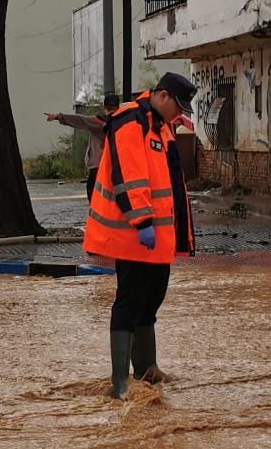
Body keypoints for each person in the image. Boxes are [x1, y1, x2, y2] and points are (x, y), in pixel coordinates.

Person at [83, 72, 197, 400]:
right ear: (162, 96)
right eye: (178, 106)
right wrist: (142, 220)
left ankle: (147, 371)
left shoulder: (160, 125)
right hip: (134, 235)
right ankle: (120, 383)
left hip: (157, 239)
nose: (179, 114)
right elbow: (129, 176)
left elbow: (170, 180)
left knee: (151, 302)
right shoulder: (131, 123)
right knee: (129, 302)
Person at [47, 96, 116, 202]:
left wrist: (58, 116)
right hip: (117, 165)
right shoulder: (124, 123)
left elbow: (80, 120)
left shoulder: (98, 122)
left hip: (99, 165)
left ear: (104, 106)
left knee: (94, 196)